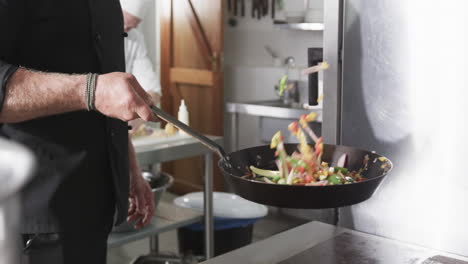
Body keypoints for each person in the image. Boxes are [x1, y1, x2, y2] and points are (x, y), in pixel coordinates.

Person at [0, 1, 156, 263]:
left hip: (96, 207)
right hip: (37, 215)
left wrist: (129, 166)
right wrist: (90, 90)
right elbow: (98, 90)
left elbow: (107, 87)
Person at [121, 0, 162, 132]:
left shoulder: (135, 38)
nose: (126, 29)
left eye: (132, 26)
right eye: (123, 22)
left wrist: (139, 115)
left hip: (122, 122)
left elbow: (153, 89)